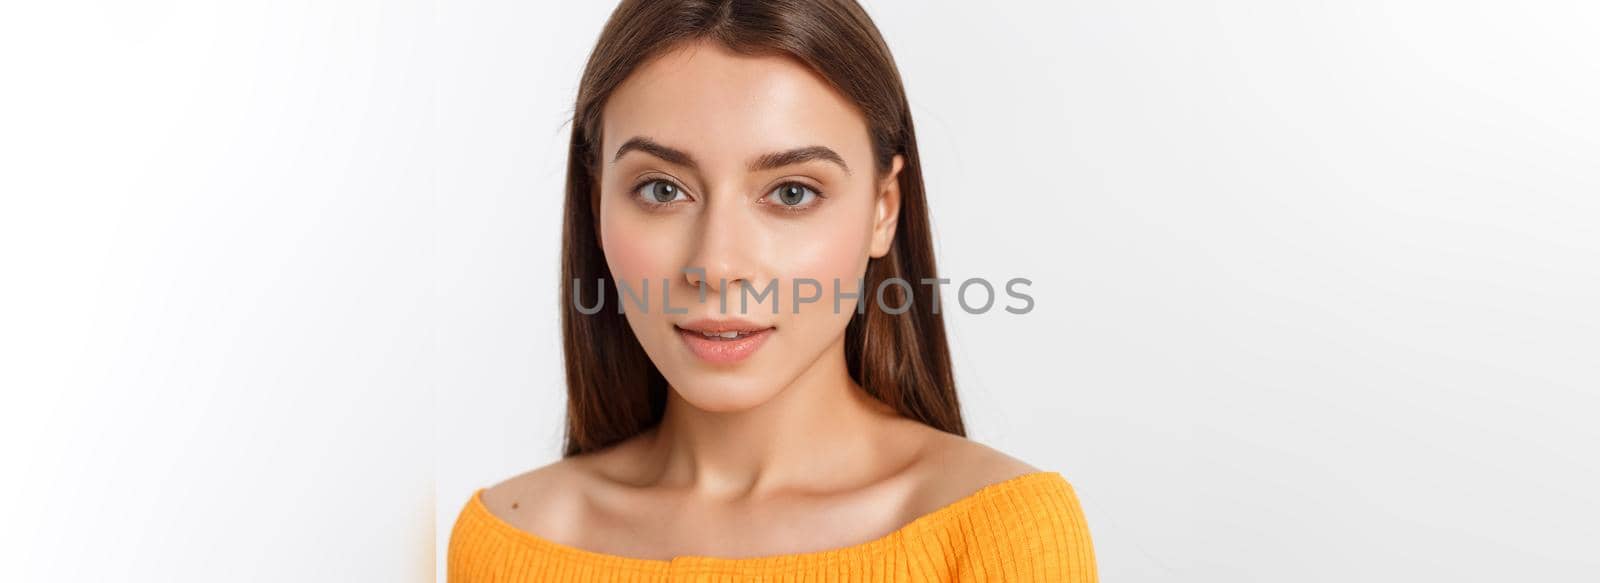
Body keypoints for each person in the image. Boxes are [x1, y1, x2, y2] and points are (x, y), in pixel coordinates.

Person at [448, 1, 1096, 580]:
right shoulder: (508, 541)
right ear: (596, 203)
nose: (718, 265)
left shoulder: (1000, 535)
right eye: (662, 189)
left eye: (792, 192)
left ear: (883, 209)